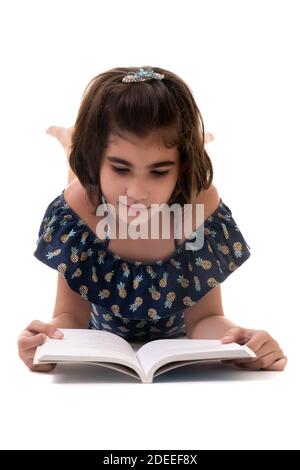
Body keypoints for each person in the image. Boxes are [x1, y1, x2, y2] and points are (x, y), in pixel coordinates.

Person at [17, 66, 287, 372]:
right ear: (99, 161)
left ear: (180, 168)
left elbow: (205, 319)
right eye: (120, 168)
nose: (138, 192)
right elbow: (70, 317)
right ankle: (71, 141)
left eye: (159, 171)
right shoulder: (78, 207)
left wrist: (240, 342)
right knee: (77, 178)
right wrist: (48, 341)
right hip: (93, 193)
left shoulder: (198, 204)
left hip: (179, 185)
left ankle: (195, 144)